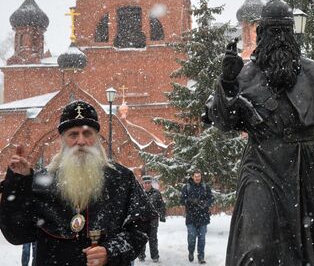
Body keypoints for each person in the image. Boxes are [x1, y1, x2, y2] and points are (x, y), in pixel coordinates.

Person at [206, 0, 314, 266]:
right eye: (272, 31)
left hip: (307, 166)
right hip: (261, 164)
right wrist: (227, 83)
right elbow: (223, 121)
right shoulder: (245, 76)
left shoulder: (313, 73)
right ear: (261, 33)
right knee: (255, 246)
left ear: (292, 34)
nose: (278, 39)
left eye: (284, 31)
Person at [0, 100, 156, 266]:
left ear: (96, 137)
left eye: (87, 133)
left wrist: (111, 251)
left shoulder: (121, 178)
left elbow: (141, 225)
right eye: (73, 134)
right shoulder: (41, 182)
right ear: (62, 139)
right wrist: (19, 182)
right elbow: (17, 234)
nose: (81, 141)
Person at [181, 170, 213, 264]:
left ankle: (201, 257)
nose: (197, 178)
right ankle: (191, 252)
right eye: (196, 176)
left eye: (199, 176)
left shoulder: (205, 187)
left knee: (202, 238)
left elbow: (211, 198)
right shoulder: (187, 187)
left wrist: (205, 203)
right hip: (191, 217)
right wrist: (191, 201)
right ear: (192, 177)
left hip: (203, 216)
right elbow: (182, 200)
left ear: (201, 177)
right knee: (191, 237)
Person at [138, 175, 166, 263]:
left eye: (148, 183)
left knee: (153, 238)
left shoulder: (156, 193)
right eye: (145, 183)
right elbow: (135, 206)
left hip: (153, 219)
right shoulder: (139, 193)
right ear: (142, 184)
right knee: (142, 238)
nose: (147, 185)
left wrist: (162, 215)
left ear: (151, 183)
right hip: (142, 220)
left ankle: (155, 256)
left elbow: (161, 205)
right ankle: (141, 255)